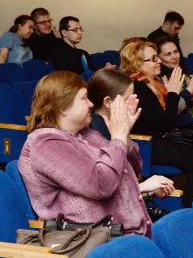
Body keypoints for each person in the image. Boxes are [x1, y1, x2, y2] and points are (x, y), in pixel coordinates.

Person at [18, 71, 169, 237]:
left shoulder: (86, 134)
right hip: (91, 239)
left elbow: (131, 170)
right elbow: (101, 185)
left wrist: (124, 133)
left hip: (125, 234)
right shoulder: (45, 143)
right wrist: (117, 137)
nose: (91, 104)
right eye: (84, 98)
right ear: (63, 107)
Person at [120, 40, 193, 206]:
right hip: (147, 145)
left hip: (163, 138)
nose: (158, 61)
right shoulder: (137, 87)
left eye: (157, 57)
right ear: (137, 64)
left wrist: (182, 95)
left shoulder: (152, 82)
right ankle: (190, 209)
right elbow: (162, 123)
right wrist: (174, 94)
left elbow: (167, 118)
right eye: (153, 59)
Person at [156, 37, 193, 118]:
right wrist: (190, 91)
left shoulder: (184, 76)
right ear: (158, 58)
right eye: (168, 54)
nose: (174, 57)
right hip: (176, 126)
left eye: (176, 52)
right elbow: (172, 112)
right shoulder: (159, 80)